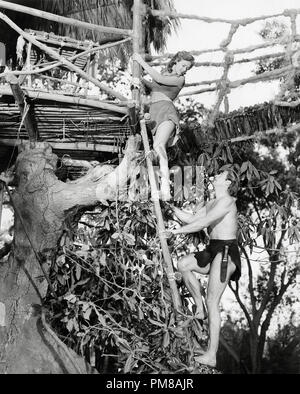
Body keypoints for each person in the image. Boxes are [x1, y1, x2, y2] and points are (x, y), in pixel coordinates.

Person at [164, 170, 241, 368]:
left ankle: (211, 354)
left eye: (221, 175)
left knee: (212, 300)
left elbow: (204, 223)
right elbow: (191, 219)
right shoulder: (211, 203)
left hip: (225, 251)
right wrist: (170, 207)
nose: (215, 176)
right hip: (213, 248)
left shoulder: (228, 201)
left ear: (228, 181)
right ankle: (199, 309)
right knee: (184, 264)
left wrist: (175, 231)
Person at [132, 51, 195, 201]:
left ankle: (165, 189)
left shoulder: (180, 80)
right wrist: (137, 79)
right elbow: (152, 86)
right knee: (154, 149)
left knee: (159, 146)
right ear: (177, 61)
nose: (185, 70)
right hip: (154, 113)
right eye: (184, 65)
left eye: (188, 68)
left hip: (167, 111)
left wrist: (140, 61)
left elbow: (157, 78)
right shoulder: (165, 73)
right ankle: (153, 185)